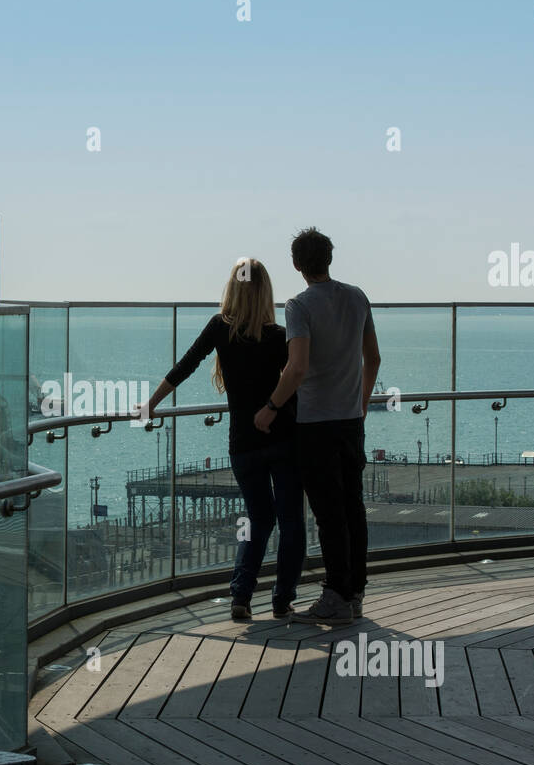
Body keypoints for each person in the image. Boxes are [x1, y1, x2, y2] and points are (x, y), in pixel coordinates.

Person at [139, 258, 304, 621]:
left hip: (243, 443)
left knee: (258, 520)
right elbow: (296, 381)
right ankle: (282, 601)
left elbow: (186, 365)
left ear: (232, 288)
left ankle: (241, 597)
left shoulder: (219, 328)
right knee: (291, 520)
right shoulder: (277, 336)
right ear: (265, 292)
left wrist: (151, 403)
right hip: (283, 439)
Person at [255, 227, 381, 625]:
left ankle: (336, 598)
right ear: (330, 257)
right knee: (353, 508)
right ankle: (354, 591)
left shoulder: (299, 306)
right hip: (349, 422)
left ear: (296, 264)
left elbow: (298, 367)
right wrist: (360, 405)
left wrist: (271, 407)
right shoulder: (358, 296)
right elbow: (373, 358)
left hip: (315, 425)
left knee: (329, 515)